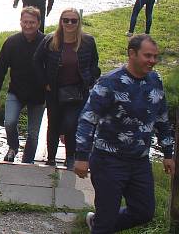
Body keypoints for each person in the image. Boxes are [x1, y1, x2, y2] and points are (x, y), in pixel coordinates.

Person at [75, 34, 175, 232]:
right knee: (107, 218)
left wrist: (168, 153)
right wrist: (81, 157)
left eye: (155, 56)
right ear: (132, 54)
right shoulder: (109, 83)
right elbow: (87, 119)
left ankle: (96, 223)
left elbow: (162, 117)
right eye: (148, 56)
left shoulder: (156, 80)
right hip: (108, 161)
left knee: (144, 211)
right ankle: (101, 224)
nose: (152, 61)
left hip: (139, 161)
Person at [33, 8, 100, 168]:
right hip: (54, 90)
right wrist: (45, 82)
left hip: (77, 91)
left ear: (78, 22)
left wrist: (89, 80)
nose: (69, 23)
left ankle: (70, 157)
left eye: (73, 20)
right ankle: (51, 158)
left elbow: (94, 64)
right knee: (53, 123)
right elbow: (36, 61)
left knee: (71, 124)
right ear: (61, 22)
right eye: (66, 20)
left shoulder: (88, 42)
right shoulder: (50, 40)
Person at [0, 7, 46, 164]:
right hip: (16, 92)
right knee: (10, 122)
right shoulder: (11, 42)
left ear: (39, 23)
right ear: (20, 22)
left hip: (38, 95)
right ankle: (13, 147)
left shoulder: (46, 42)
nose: (28, 26)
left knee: (33, 134)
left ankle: (27, 161)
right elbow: (0, 69)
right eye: (25, 22)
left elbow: (54, 68)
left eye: (32, 23)